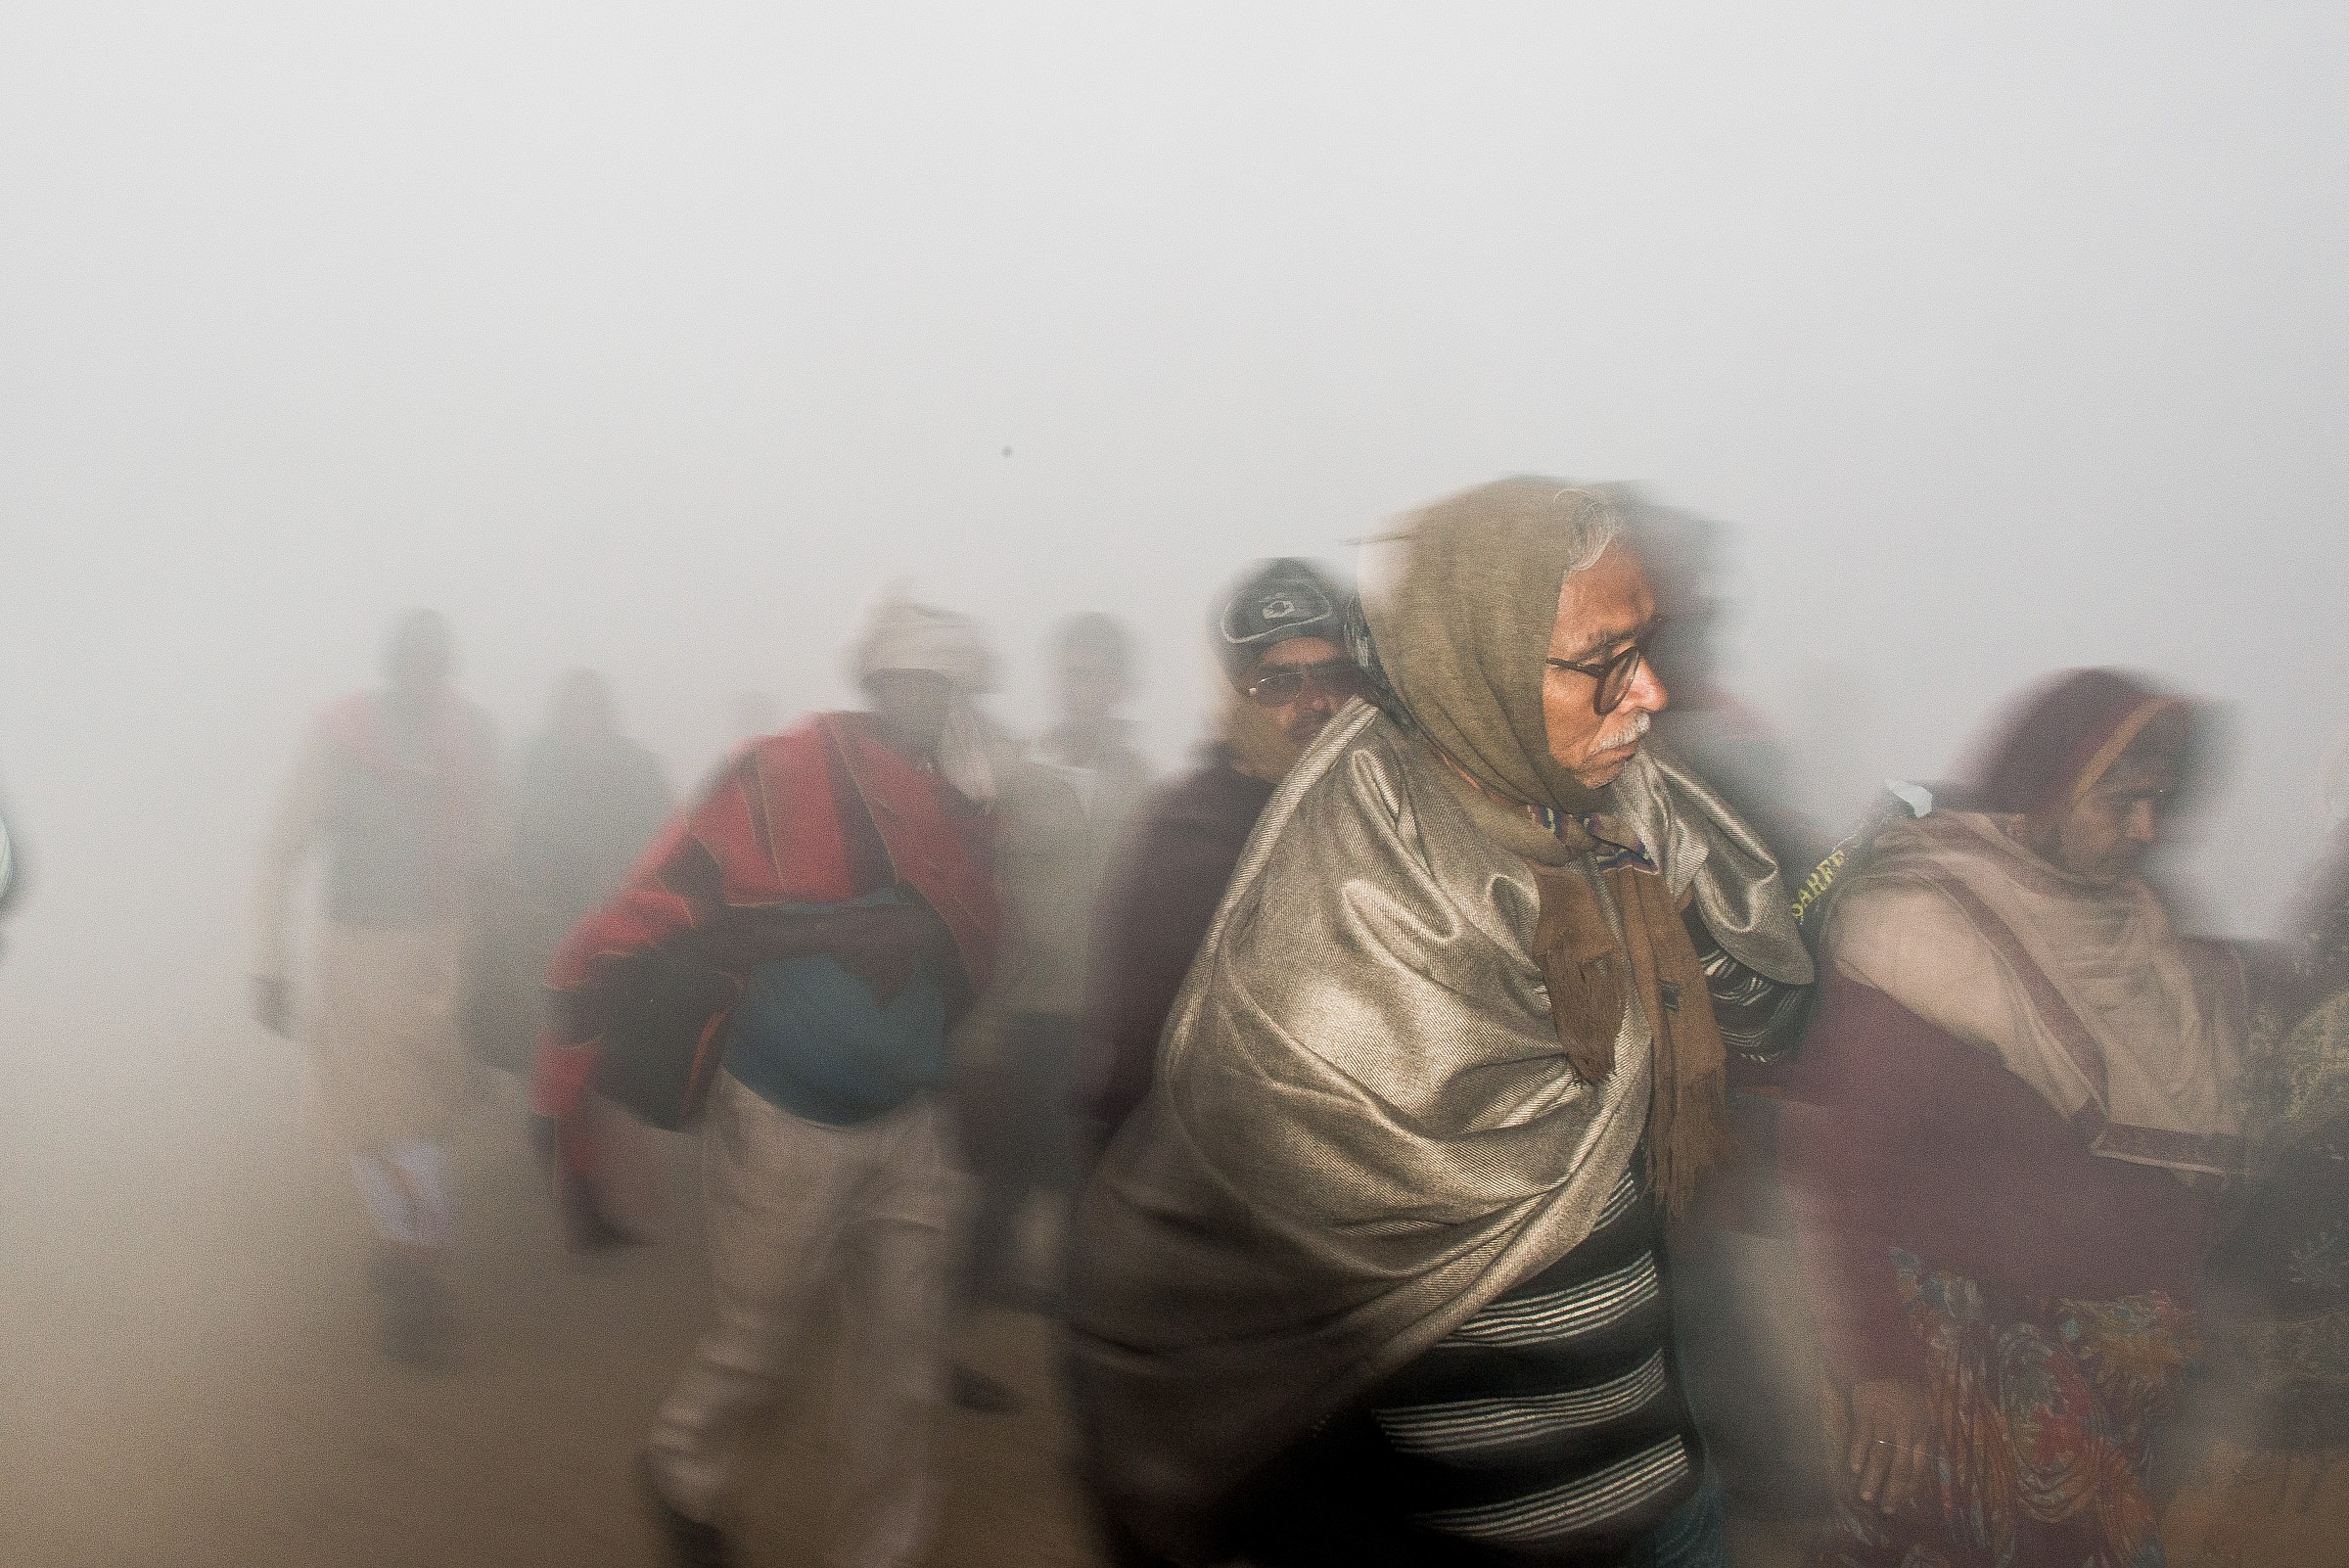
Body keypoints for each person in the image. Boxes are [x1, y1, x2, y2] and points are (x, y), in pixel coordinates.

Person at [1070, 478, 1813, 1568]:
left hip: (1656, 1477)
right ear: (1479, 664)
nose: (1648, 692)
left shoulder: (1618, 828)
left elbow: (1760, 990)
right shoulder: (1313, 892)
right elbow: (1216, 1213)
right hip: (1467, 1507)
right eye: (1599, 659)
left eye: (1331, 673)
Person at [532, 598, 1000, 1568]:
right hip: (784, 1116)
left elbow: (971, 948)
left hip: (910, 1118)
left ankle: (883, 1552)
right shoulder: (784, 774)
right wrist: (837, 930)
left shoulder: (965, 803)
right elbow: (692, 919)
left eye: (943, 683)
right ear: (876, 681)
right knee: (760, 1346)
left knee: (906, 1371)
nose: (927, 699)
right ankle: (680, 1471)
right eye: (912, 679)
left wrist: (943, 1029)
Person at [1781, 669, 2249, 1568]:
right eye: (2122, 801)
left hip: (2118, 1383)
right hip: (1968, 1374)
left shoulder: (2152, 942)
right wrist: (1880, 1367)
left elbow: (2193, 1172)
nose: (2147, 831)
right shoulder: (1932, 927)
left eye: (2159, 803)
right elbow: (1842, 1164)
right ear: (2050, 788)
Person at [248, 609, 501, 1363]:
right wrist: (268, 964)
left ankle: (412, 1255)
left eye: (436, 659)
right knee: (366, 1111)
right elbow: (279, 851)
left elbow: (492, 844)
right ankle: (411, 1251)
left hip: (443, 952)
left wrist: (495, 949)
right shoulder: (338, 737)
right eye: (411, 659)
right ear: (391, 664)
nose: (423, 674)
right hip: (354, 956)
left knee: (422, 1110)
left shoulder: (472, 734)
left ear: (446, 665)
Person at [1079, 558, 1359, 1154]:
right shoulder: (1191, 837)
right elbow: (1143, 1044)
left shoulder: (1385, 812)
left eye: (1333, 677)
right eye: (1278, 684)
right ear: (1236, 695)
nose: (1315, 704)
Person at [962, 614, 1155, 1314]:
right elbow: (979, 890)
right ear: (1057, 681)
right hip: (1027, 1008)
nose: (1087, 689)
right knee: (1012, 1166)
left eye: (1101, 673)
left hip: (1106, 1010)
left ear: (1123, 686)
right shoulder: (1012, 778)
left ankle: (1059, 1294)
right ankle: (953, 1313)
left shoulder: (1147, 787)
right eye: (1075, 672)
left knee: (1078, 1162)